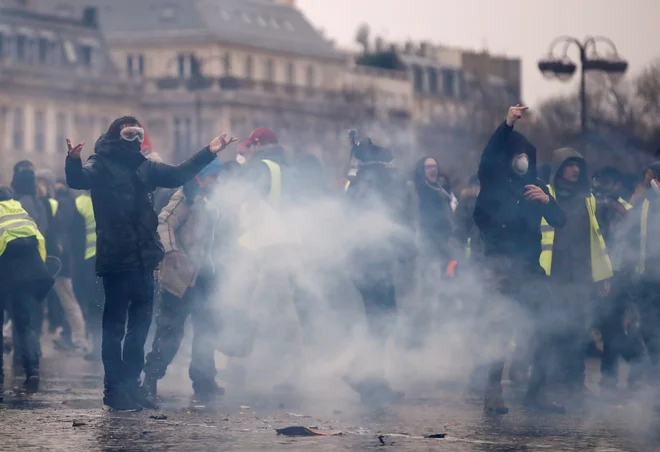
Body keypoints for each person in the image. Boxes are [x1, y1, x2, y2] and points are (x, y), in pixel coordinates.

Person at [65, 116, 237, 412]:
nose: (135, 140)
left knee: (140, 328)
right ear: (116, 135)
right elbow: (78, 179)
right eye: (129, 133)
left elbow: (178, 174)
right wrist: (72, 160)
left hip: (144, 258)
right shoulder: (101, 163)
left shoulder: (145, 166)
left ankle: (132, 386)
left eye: (138, 134)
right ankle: (114, 389)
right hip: (117, 258)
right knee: (115, 327)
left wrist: (210, 150)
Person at [474, 105, 567, 414]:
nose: (523, 160)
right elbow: (488, 158)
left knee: (545, 325)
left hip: (530, 267)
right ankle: (492, 394)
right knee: (499, 329)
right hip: (501, 266)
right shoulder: (493, 183)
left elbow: (559, 219)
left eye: (526, 155)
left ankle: (536, 392)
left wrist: (548, 200)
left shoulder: (535, 188)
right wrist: (507, 124)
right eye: (517, 154)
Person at [141, 161, 226, 403]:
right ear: (202, 177)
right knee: (170, 330)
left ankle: (204, 380)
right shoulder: (185, 196)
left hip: (204, 275)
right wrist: (172, 251)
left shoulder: (211, 201)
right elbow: (163, 222)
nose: (217, 182)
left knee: (206, 329)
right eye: (214, 177)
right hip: (180, 277)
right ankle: (150, 379)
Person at [343, 136, 410, 404]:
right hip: (371, 264)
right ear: (381, 164)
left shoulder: (360, 184)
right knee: (382, 320)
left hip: (367, 263)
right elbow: (388, 222)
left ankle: (371, 378)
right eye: (389, 162)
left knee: (382, 320)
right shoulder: (376, 185)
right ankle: (364, 375)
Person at [541, 148, 613, 395]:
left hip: (581, 275)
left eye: (578, 165)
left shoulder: (588, 199)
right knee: (553, 329)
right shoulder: (546, 195)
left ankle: (575, 382)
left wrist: (603, 275)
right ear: (559, 168)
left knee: (579, 329)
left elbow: (596, 238)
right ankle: (550, 380)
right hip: (553, 275)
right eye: (570, 165)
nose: (575, 170)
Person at [0, 186, 53, 395]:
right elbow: (41, 242)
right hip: (29, 273)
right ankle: (33, 371)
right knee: (25, 324)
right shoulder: (22, 212)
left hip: (4, 272)